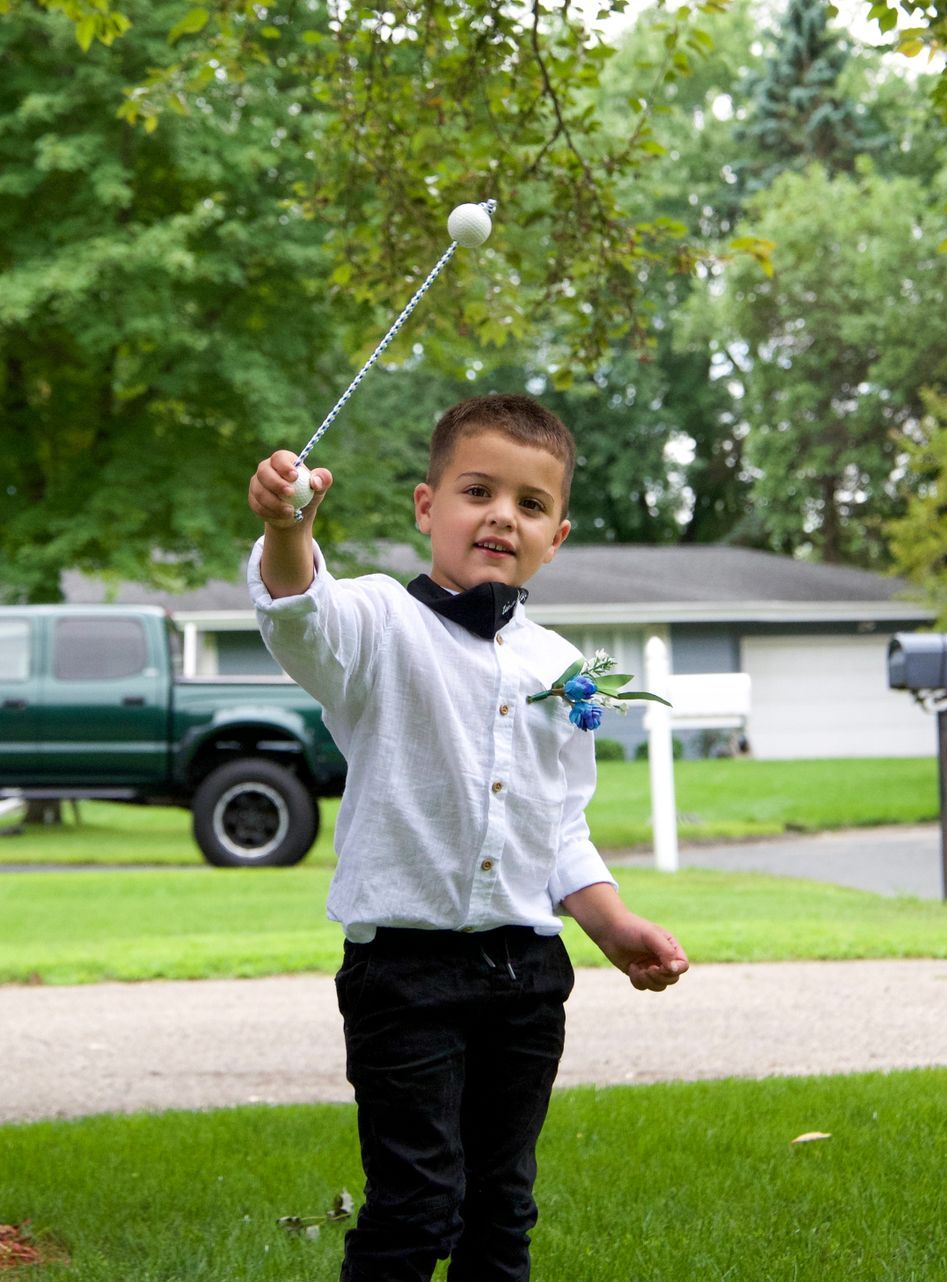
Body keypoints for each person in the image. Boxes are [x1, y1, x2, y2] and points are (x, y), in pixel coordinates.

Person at [246, 392, 688, 1281]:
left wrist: (614, 923)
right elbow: (300, 614)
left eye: (530, 505)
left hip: (527, 976)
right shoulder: (375, 623)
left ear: (556, 537)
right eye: (478, 491)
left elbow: (558, 825)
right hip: (404, 974)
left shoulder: (561, 670)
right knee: (416, 1204)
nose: (501, 516)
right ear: (427, 505)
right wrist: (288, 529)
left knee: (500, 1206)